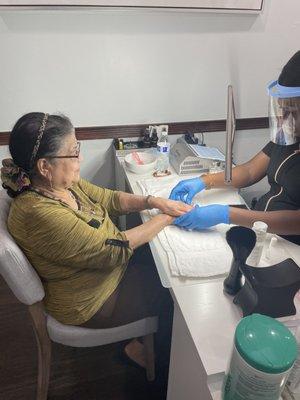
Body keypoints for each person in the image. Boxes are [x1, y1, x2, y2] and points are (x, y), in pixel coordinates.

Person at [0, 112, 192, 393]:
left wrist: (154, 201)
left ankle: (142, 345)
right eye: (73, 152)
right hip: (92, 300)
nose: (79, 159)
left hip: (103, 271)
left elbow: (109, 199)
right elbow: (113, 250)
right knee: (176, 295)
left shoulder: (58, 184)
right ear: (44, 165)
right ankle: (166, 376)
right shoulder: (38, 213)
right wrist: (167, 217)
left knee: (161, 258)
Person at [169, 50, 300, 245]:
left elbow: (297, 222)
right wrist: (204, 181)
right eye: (284, 109)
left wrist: (226, 214)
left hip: (289, 247)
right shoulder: (289, 134)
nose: (286, 119)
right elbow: (249, 171)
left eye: (293, 111)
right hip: (261, 231)